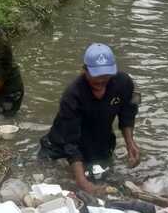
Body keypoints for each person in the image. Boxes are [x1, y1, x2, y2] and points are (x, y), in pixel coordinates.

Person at [38, 43, 141, 194]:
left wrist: (130, 144)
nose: (100, 84)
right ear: (84, 71)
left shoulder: (124, 83)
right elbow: (70, 142)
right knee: (57, 180)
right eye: (96, 80)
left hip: (99, 142)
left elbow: (127, 115)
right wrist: (82, 182)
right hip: (60, 145)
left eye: (105, 79)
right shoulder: (72, 95)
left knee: (102, 176)